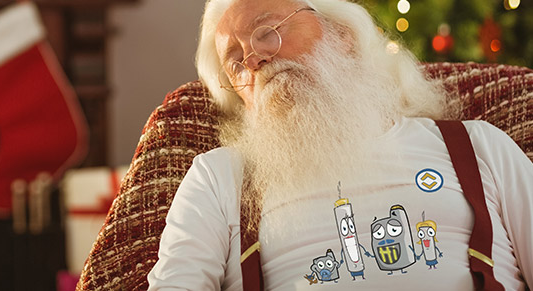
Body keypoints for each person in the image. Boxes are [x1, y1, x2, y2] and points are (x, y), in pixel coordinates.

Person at [146, 0, 533, 290]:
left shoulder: (476, 145)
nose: (254, 58)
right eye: (235, 63)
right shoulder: (218, 178)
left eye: (267, 32)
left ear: (341, 34)